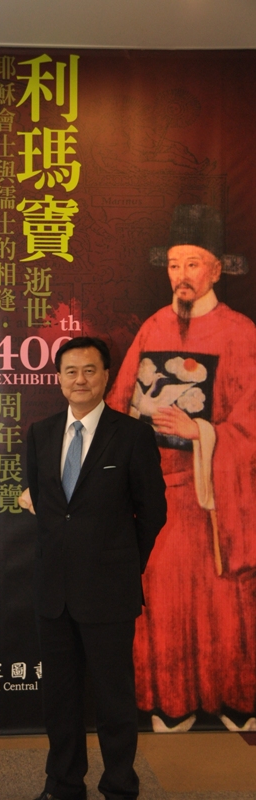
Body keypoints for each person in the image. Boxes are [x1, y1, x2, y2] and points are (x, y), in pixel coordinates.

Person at [107, 204, 256, 733]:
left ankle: (233, 700)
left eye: (193, 264)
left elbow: (252, 420)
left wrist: (202, 432)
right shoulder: (153, 326)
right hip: (158, 492)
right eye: (174, 265)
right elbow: (120, 401)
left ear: (216, 269)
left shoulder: (240, 333)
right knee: (161, 602)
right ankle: (171, 702)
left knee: (225, 603)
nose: (183, 276)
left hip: (212, 499)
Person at [25, 336, 166, 800]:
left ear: (106, 376)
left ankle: (120, 786)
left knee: (114, 700)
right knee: (59, 700)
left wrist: (122, 563)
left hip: (109, 592)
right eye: (70, 371)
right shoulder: (41, 433)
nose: (79, 379)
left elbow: (153, 512)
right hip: (54, 593)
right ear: (59, 378)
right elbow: (47, 508)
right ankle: (63, 785)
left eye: (89, 370)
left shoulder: (132, 435)